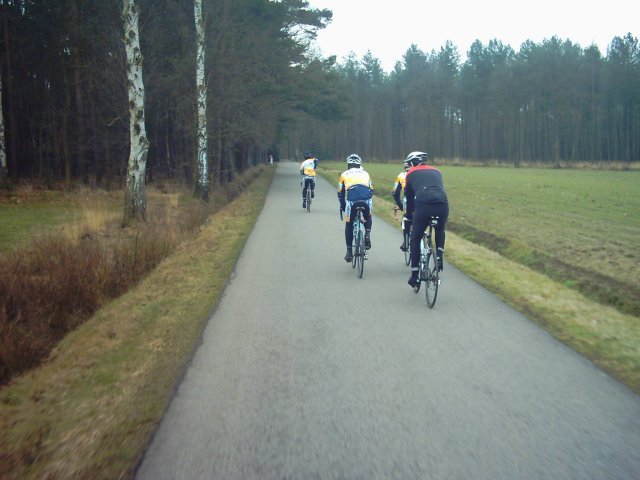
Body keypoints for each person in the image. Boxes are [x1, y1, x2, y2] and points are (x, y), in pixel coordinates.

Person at [403, 151, 449, 288]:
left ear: (412, 163)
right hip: (442, 203)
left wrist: (409, 216)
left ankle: (415, 276)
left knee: (415, 238)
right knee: (440, 229)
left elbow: (409, 198)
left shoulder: (410, 173)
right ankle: (439, 255)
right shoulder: (437, 171)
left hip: (424, 205)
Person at [337, 153, 373, 262]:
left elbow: (340, 193)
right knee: (368, 216)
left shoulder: (344, 174)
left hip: (352, 201)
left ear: (348, 165)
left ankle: (349, 252)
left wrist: (343, 207)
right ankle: (367, 233)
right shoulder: (366, 173)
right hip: (366, 200)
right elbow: (371, 190)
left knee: (349, 224)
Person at [391, 162, 410, 251]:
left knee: (406, 219)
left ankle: (406, 242)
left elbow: (395, 193)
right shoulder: (422, 173)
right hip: (423, 200)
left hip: (409, 200)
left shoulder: (401, 175)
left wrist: (401, 207)